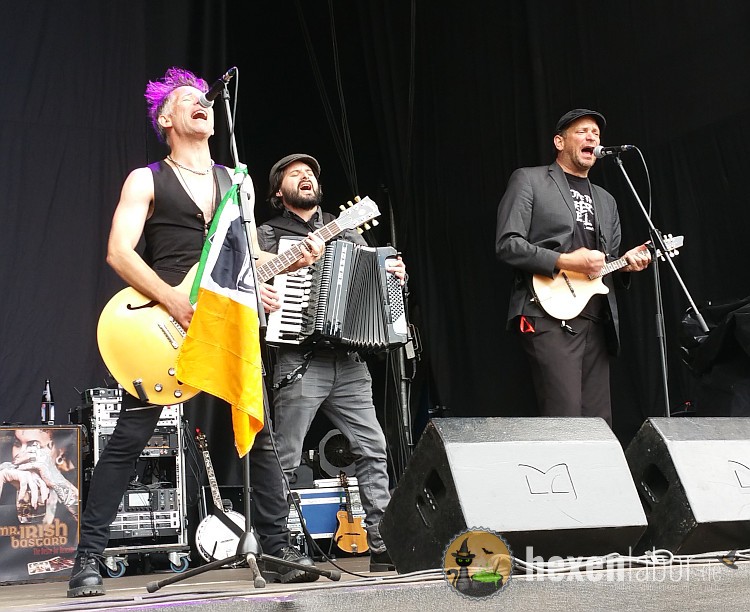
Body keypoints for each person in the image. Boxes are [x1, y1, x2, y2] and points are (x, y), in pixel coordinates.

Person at [67, 68, 325, 598]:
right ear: (166, 119)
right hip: (166, 322)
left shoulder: (238, 182)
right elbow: (118, 253)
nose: (200, 102)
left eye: (202, 97)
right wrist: (172, 299)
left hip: (227, 323)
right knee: (129, 439)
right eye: (186, 99)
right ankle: (87, 557)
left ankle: (277, 550)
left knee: (259, 435)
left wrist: (285, 266)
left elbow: (248, 257)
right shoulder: (146, 179)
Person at [257, 153, 406, 572]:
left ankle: (382, 544)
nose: (306, 176)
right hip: (299, 357)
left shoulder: (347, 231)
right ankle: (278, 547)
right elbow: (247, 281)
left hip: (349, 361)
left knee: (373, 448)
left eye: (310, 173)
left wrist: (395, 275)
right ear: (278, 191)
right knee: (286, 457)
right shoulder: (268, 234)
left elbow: (376, 283)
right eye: (295, 173)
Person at [495, 108, 651, 425]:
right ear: (559, 141)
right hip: (547, 312)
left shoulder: (606, 200)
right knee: (564, 417)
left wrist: (624, 264)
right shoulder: (530, 180)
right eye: (582, 131)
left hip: (595, 317)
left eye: (596, 133)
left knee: (599, 424)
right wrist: (565, 260)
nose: (591, 137)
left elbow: (602, 262)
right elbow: (507, 244)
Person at [0, 428, 79, 525]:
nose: (21, 453)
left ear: (60, 451)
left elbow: (90, 520)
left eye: (34, 445)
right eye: (17, 444)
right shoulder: (5, 479)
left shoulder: (75, 480)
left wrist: (58, 483)